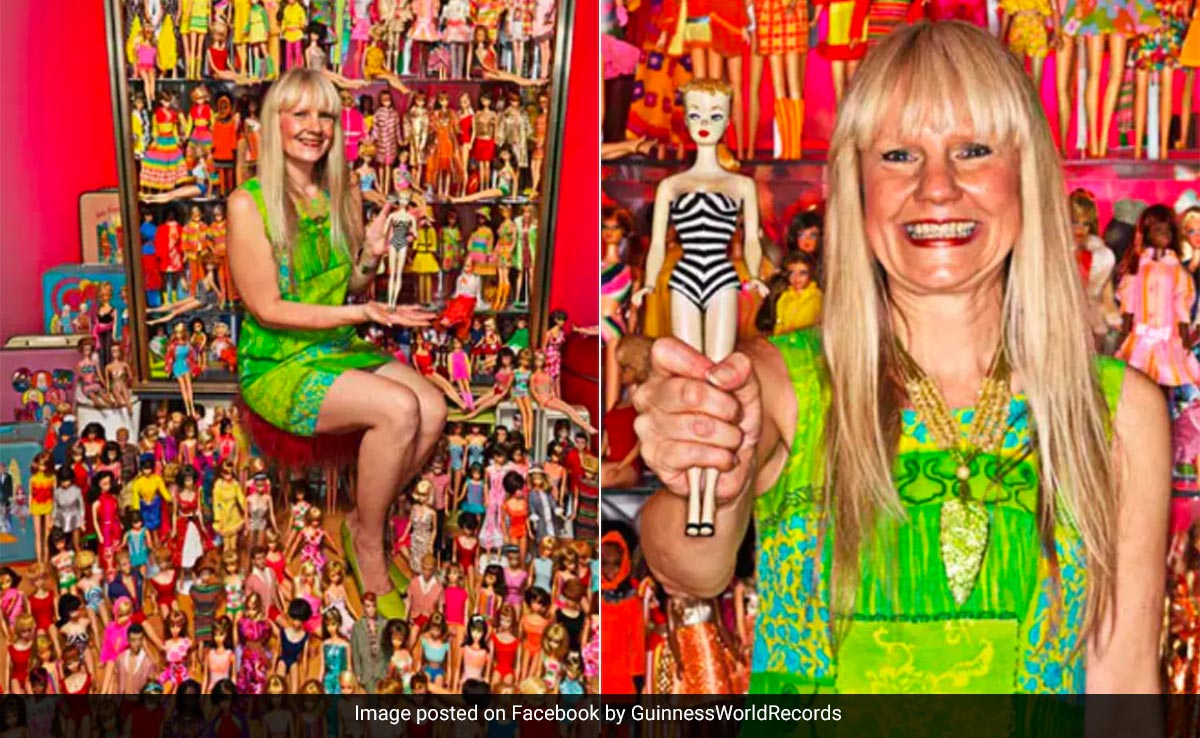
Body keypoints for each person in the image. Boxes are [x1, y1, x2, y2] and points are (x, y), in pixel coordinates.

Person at [633, 21, 1168, 694]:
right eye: (898, 155)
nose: (936, 187)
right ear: (855, 186)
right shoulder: (779, 382)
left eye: (973, 149)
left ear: (1026, 175)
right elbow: (691, 566)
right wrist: (708, 461)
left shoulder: (1121, 411)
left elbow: (1125, 687)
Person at [227, 69, 446, 619]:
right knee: (399, 410)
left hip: (335, 344)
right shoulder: (248, 204)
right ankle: (369, 545)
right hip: (277, 360)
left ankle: (359, 521)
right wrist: (361, 311)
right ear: (274, 122)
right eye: (299, 113)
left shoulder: (342, 190)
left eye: (325, 115)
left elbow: (349, 285)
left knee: (433, 408)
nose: (314, 126)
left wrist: (370, 253)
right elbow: (268, 308)